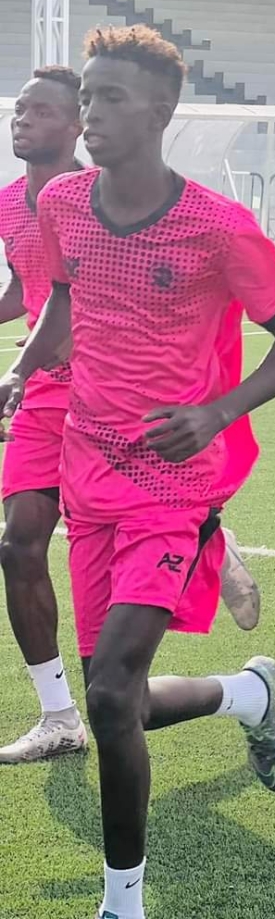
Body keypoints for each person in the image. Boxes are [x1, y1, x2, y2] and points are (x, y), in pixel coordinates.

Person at [0, 26, 275, 919]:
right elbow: (63, 300)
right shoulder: (63, 204)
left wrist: (219, 410)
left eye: (108, 99)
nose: (92, 114)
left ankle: (123, 903)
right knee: (122, 703)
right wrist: (23, 373)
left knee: (105, 689)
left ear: (161, 112)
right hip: (85, 472)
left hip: (174, 485)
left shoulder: (217, 225)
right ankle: (247, 692)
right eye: (88, 97)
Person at [0, 67, 87, 763]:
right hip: (42, 394)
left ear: (77, 125)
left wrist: (16, 369)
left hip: (108, 390)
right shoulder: (8, 202)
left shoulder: (98, 199)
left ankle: (204, 527)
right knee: (20, 543)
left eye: (40, 110)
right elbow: (26, 288)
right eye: (20, 108)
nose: (22, 119)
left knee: (107, 552)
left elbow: (67, 302)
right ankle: (59, 715)